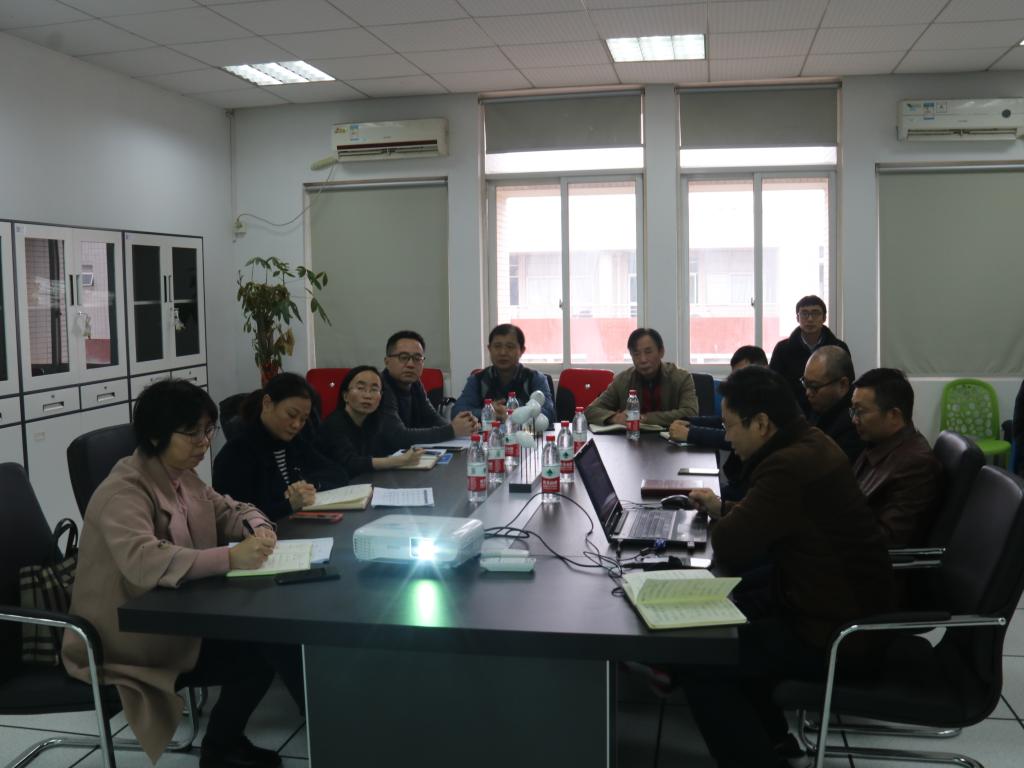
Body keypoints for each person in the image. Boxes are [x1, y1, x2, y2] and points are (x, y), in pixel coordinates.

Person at [62, 379, 302, 768]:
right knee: (262, 649)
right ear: (157, 435)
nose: (203, 443)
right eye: (192, 433)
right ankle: (221, 749)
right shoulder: (123, 491)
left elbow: (228, 508)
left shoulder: (180, 474)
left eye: (208, 431)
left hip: (174, 613)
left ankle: (227, 743)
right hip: (124, 637)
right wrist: (230, 558)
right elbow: (144, 560)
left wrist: (257, 526)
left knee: (268, 639)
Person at [683, 366, 893, 768]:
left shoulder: (788, 465)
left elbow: (731, 545)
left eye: (729, 426)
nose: (727, 437)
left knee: (704, 657)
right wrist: (723, 507)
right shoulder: (810, 442)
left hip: (835, 635)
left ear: (761, 423)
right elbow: (776, 514)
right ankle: (776, 742)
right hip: (836, 609)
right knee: (728, 629)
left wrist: (725, 518)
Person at [213, 372, 348, 521]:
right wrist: (290, 504)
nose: (296, 425)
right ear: (267, 403)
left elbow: (339, 474)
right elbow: (240, 518)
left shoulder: (294, 442)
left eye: (303, 419)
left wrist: (309, 486)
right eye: (291, 415)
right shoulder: (236, 454)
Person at [850, 368, 942, 548]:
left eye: (860, 412)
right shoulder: (879, 443)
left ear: (894, 415)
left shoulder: (915, 464)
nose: (854, 420)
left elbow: (888, 540)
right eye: (853, 411)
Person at [667, 345, 767, 500]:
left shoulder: (768, 402)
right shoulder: (750, 396)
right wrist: (689, 421)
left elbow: (730, 437)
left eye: (745, 375)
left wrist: (690, 434)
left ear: (765, 370)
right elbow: (722, 422)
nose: (739, 383)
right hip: (738, 483)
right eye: (736, 376)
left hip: (746, 491)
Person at [376, 330, 477, 454]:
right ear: (387, 362)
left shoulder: (415, 383)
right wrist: (452, 430)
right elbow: (398, 436)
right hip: (381, 459)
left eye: (417, 358)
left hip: (406, 457)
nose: (411, 364)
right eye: (403, 357)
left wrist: (464, 426)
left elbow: (433, 418)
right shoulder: (379, 388)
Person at [584, 328, 698, 429]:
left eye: (648, 352)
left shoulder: (682, 378)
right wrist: (615, 418)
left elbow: (691, 413)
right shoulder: (622, 380)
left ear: (661, 352)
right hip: (633, 440)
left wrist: (644, 418)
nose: (643, 359)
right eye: (636, 354)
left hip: (671, 440)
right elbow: (590, 411)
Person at [322, 365, 426, 475]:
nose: (367, 395)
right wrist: (399, 461)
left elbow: (384, 449)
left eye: (374, 389)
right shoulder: (334, 424)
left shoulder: (373, 421)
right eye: (360, 388)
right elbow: (350, 463)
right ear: (345, 396)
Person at [452, 323, 555, 423]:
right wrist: (489, 412)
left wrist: (515, 414)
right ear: (489, 349)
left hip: (525, 434)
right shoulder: (477, 380)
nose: (503, 352)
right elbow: (457, 412)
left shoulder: (535, 379)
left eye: (510, 347)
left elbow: (549, 413)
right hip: (489, 434)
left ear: (522, 350)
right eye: (497, 346)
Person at [769, 295, 850, 414]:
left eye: (815, 313)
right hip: (793, 413)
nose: (810, 319)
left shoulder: (838, 347)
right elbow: (773, 385)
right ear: (797, 318)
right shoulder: (783, 349)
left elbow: (847, 384)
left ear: (824, 318)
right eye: (804, 313)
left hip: (832, 412)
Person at [802, 346, 865, 463]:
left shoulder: (855, 424)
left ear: (843, 384)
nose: (808, 393)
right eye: (805, 384)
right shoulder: (820, 407)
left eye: (814, 387)